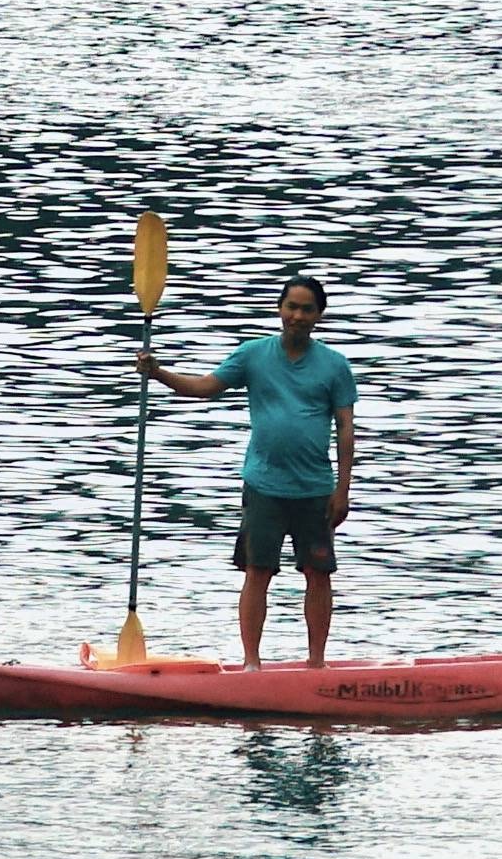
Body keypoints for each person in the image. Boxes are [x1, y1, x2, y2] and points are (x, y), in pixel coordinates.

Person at [147, 272, 357, 663]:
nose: (297, 316)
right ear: (280, 309)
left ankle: (317, 664)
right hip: (264, 486)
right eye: (291, 307)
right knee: (257, 572)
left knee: (318, 574)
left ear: (319, 315)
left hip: (314, 489)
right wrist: (158, 373)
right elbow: (203, 387)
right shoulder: (253, 355)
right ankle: (251, 664)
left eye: (306, 309)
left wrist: (342, 490)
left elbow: (345, 428)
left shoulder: (334, 366)